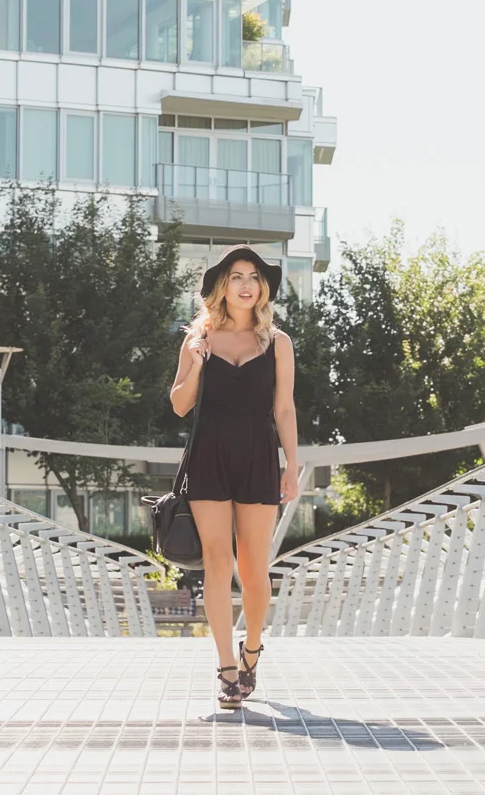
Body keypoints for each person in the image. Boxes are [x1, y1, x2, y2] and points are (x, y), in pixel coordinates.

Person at [169, 245, 300, 710]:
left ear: (262, 289)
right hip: (209, 456)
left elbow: (284, 409)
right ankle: (226, 666)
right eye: (237, 276)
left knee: (254, 568)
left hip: (259, 457)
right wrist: (198, 361)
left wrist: (292, 465)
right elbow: (179, 405)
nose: (247, 284)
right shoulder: (197, 338)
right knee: (217, 562)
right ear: (222, 286)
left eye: (254, 277)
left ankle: (252, 648)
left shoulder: (278, 342)